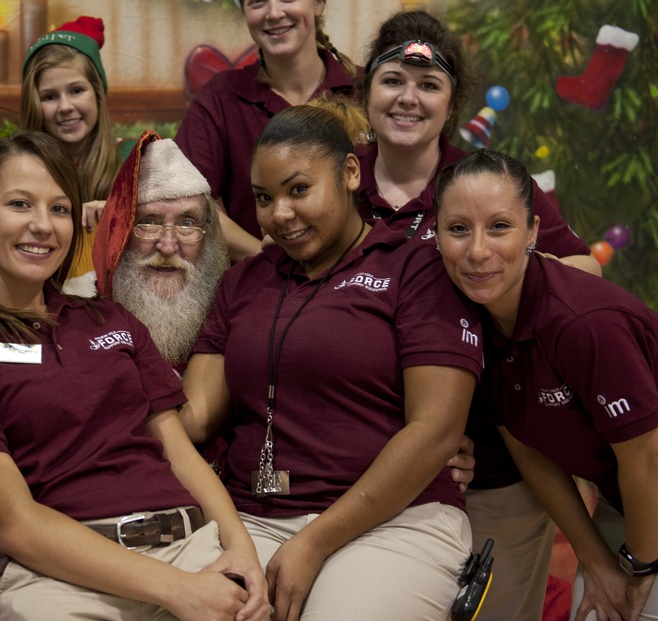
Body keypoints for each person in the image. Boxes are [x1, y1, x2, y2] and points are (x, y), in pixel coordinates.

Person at [0, 131, 269, 621]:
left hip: (189, 547)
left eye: (59, 209)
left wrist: (240, 547)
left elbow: (179, 453)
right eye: (20, 204)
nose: (42, 226)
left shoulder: (112, 320)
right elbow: (12, 523)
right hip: (63, 580)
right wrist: (178, 591)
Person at [181, 100, 483, 621]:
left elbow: (436, 429)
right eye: (263, 198)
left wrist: (315, 542)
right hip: (250, 520)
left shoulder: (416, 269)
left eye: (299, 189)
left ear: (348, 173)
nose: (280, 215)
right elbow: (196, 415)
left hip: (395, 522)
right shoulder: (243, 282)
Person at [356, 8, 600, 621]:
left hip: (494, 463)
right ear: (366, 91)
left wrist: (481, 267)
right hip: (361, 458)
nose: (408, 98)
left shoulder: (483, 182)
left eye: (429, 85)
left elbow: (586, 272)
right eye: (393, 81)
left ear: (451, 102)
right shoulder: (336, 180)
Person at [435, 148, 658, 621]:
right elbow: (528, 450)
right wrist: (596, 560)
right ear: (436, 236)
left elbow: (649, 457)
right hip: (627, 505)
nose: (477, 251)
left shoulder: (582, 323)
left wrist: (639, 567)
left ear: (533, 231)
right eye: (458, 229)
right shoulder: (474, 322)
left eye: (499, 226)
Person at [176, 0, 359, 260]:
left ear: (318, 2)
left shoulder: (365, 90)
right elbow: (192, 200)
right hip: (258, 288)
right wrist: (264, 258)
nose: (274, 13)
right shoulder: (222, 96)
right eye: (257, 1)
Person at [64, 131, 230, 371]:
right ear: (120, 234)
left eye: (187, 223)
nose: (168, 246)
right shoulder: (74, 310)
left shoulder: (227, 314)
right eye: (149, 222)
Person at [20, 15, 133, 280]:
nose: (65, 107)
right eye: (49, 96)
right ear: (33, 103)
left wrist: (120, 216)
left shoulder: (133, 158)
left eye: (76, 91)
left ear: (98, 92)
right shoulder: (19, 167)